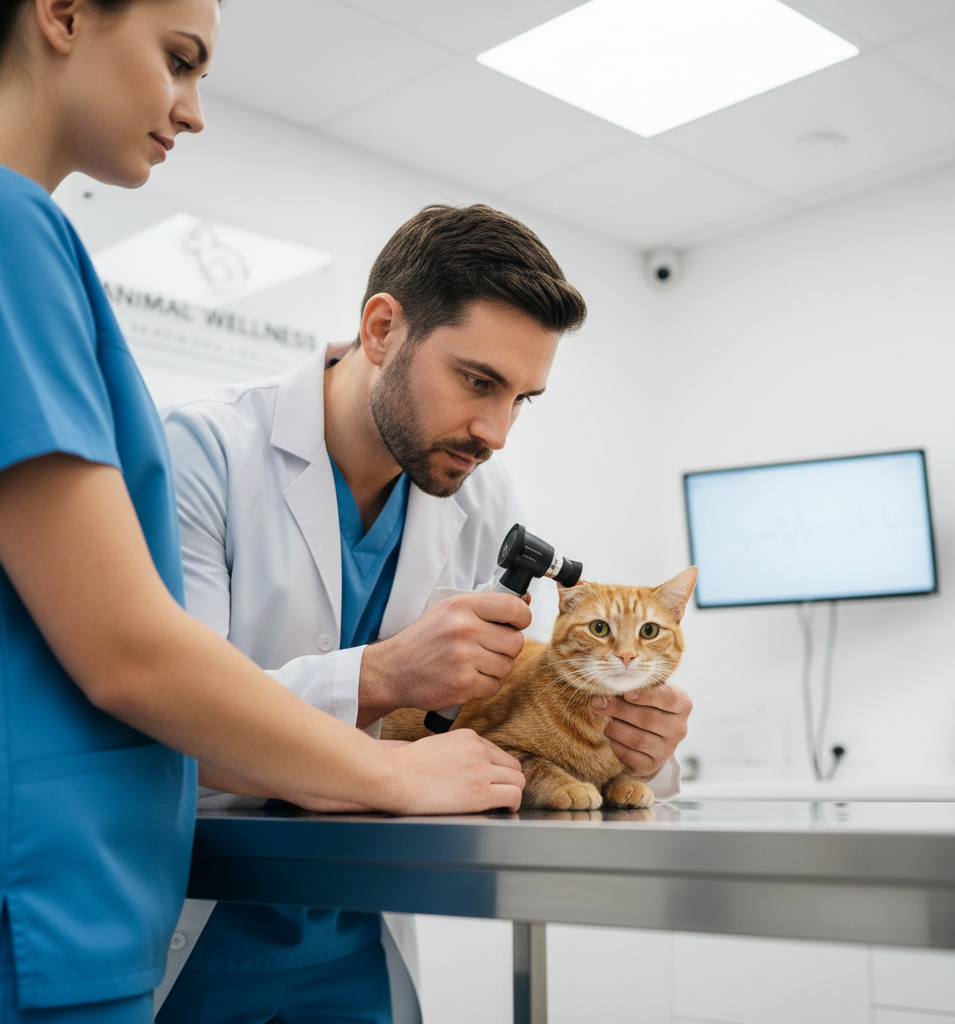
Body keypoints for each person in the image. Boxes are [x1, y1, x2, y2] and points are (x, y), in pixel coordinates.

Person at [0, 3, 525, 1021]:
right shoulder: (17, 233)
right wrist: (389, 769)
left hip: (107, 901)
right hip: (57, 901)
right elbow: (130, 651)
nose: (193, 112)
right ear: (61, 12)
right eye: (178, 59)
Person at [156, 204, 695, 1023]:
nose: (497, 432)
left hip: (360, 930)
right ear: (381, 329)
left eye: (522, 399)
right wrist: (382, 675)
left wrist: (641, 748)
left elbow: (497, 719)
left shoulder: (480, 494)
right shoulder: (201, 455)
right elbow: (167, 720)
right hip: (200, 915)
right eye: (479, 382)